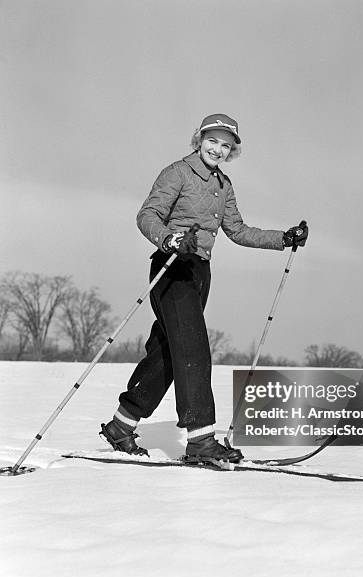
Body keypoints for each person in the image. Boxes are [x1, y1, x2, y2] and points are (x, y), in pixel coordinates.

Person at [100, 113, 308, 463]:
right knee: (194, 349)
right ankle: (201, 441)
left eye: (226, 146)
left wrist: (283, 238)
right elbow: (147, 215)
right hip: (171, 268)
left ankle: (121, 425)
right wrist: (170, 239)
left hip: (199, 274)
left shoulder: (224, 186)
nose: (218, 149)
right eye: (212, 141)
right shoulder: (177, 172)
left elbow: (238, 231)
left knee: (168, 352)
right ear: (199, 139)